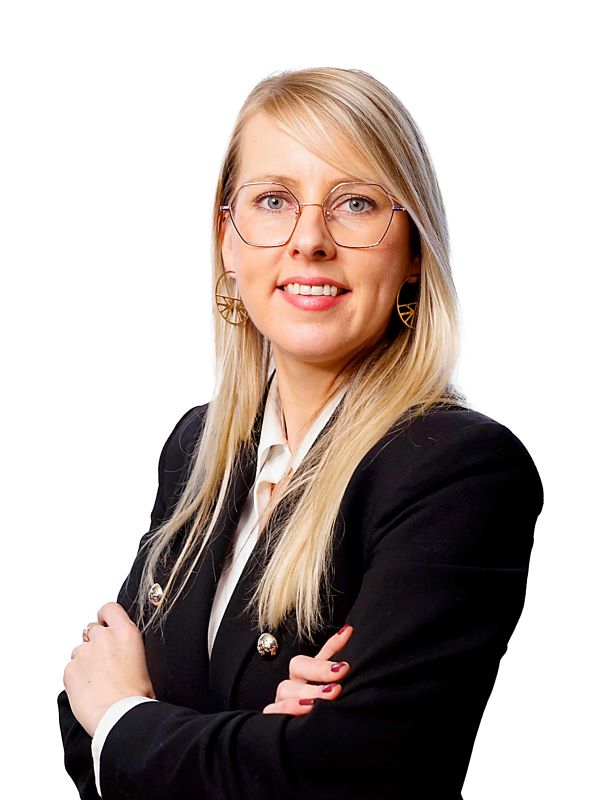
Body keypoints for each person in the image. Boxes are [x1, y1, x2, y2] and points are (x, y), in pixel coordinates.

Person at [57, 66, 544, 799]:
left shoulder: (458, 471)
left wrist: (129, 717)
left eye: (355, 203)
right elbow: (78, 711)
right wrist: (257, 737)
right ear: (227, 240)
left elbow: (345, 774)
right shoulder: (198, 447)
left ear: (414, 251)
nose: (309, 240)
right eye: (273, 201)